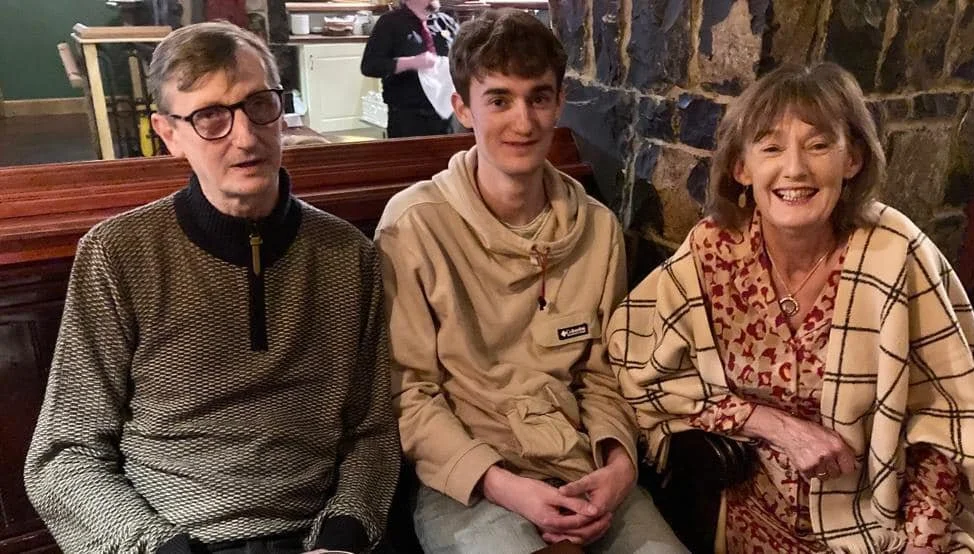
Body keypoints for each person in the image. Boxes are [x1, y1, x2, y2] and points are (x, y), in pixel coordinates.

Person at [607, 62, 974, 553]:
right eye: (771, 146)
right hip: (751, 520)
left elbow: (944, 429)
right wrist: (771, 424)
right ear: (742, 167)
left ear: (853, 160)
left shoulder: (895, 254)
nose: (796, 168)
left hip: (883, 523)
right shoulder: (711, 251)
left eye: (819, 145)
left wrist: (919, 542)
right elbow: (634, 362)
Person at [24, 21, 400, 554]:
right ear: (169, 133)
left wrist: (343, 534)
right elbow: (64, 455)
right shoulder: (117, 254)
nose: (245, 137)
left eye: (258, 106)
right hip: (170, 538)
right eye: (210, 118)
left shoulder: (347, 254)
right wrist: (157, 547)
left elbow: (373, 432)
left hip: (321, 536)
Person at [375, 8, 687, 553]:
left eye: (538, 97)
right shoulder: (413, 227)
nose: (523, 122)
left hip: (582, 468)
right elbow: (410, 393)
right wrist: (507, 487)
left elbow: (601, 372)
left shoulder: (596, 227)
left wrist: (618, 467)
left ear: (559, 103)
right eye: (498, 99)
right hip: (473, 482)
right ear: (462, 109)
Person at [360, 0, 458, 138]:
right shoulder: (389, 23)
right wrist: (411, 62)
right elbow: (370, 66)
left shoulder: (446, 22)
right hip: (407, 118)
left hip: (445, 116)